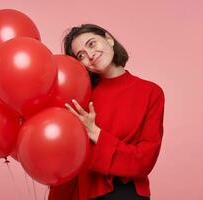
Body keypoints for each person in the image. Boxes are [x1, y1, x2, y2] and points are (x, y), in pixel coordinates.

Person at [48, 24, 165, 200]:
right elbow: (68, 158)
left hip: (127, 192)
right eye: (81, 55)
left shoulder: (151, 92)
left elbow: (144, 160)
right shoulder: (79, 96)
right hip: (83, 192)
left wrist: (95, 132)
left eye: (92, 44)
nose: (90, 55)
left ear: (109, 39)